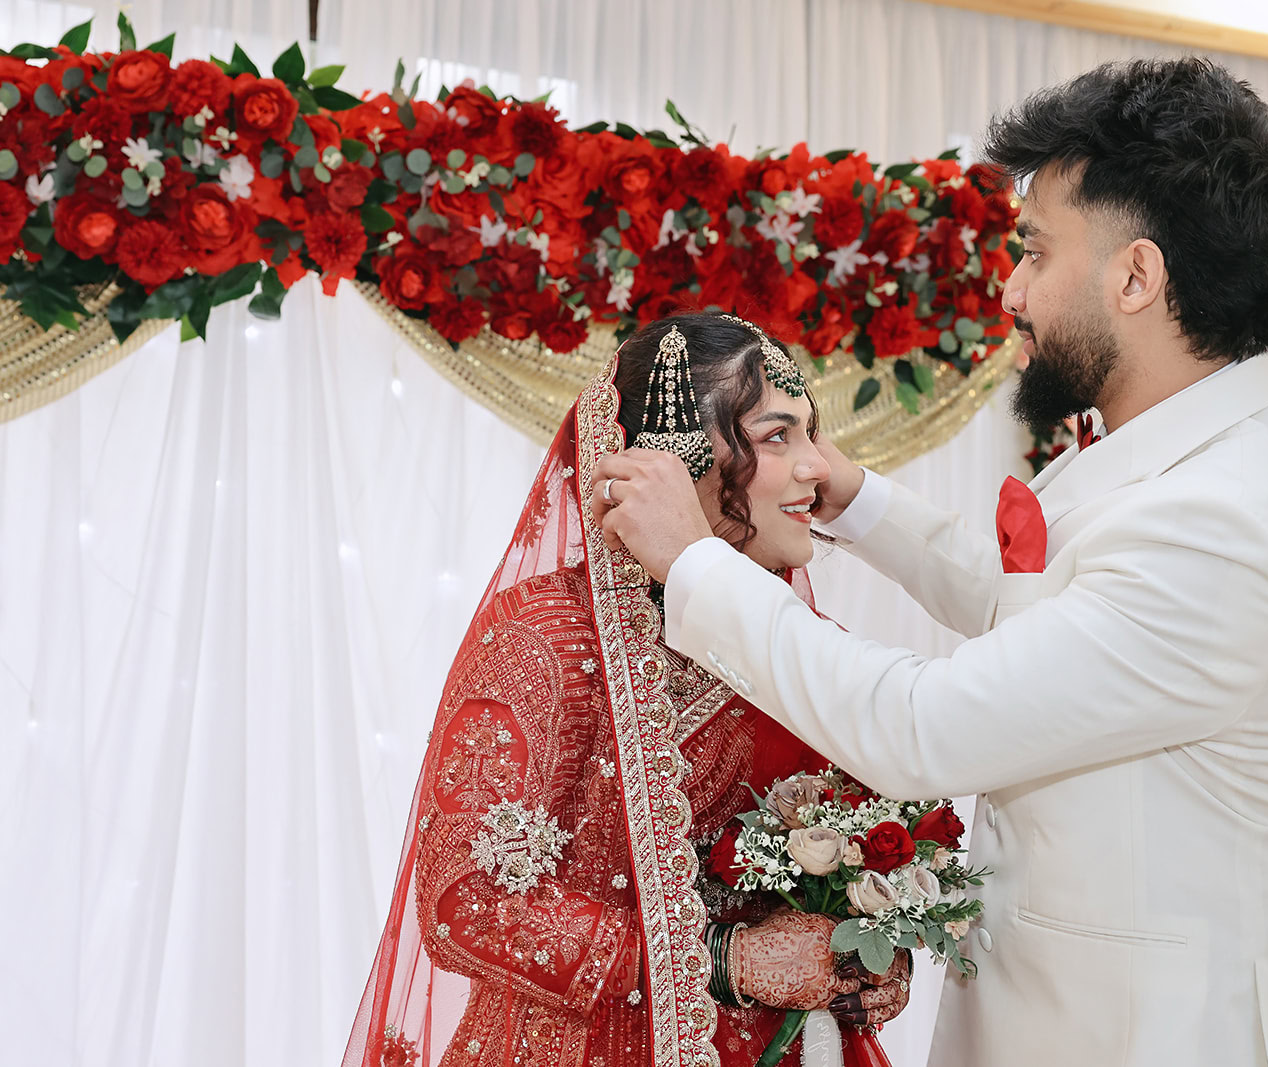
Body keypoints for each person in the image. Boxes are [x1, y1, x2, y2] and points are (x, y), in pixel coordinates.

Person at [592, 58, 1268, 1066]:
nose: (1012, 288)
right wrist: (858, 500)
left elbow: (920, 726)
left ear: (1136, 277)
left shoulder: (1217, 521)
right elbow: (1031, 611)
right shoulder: (1164, 460)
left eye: (1035, 251)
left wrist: (692, 563)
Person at [344, 312, 909, 1067]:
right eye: (779, 437)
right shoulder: (546, 638)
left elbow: (859, 861)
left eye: (812, 433)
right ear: (674, 461)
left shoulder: (802, 650)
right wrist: (720, 959)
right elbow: (465, 901)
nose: (819, 468)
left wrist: (871, 956)